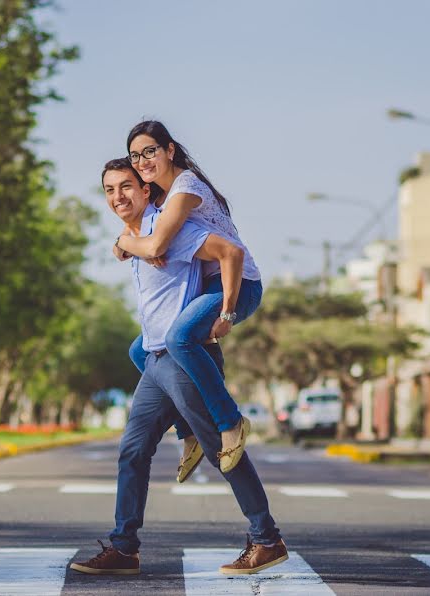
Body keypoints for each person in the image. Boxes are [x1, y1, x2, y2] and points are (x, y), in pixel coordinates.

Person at [69, 159, 287, 576]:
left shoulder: (171, 231)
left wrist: (226, 313)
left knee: (221, 449)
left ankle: (267, 538)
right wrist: (124, 243)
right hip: (155, 359)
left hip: (183, 361)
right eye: (110, 190)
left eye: (127, 187)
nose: (119, 197)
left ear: (147, 190)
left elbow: (229, 253)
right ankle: (123, 548)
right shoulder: (134, 236)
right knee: (132, 451)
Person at [113, 121, 263, 475]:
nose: (142, 161)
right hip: (204, 288)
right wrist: (130, 244)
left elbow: (153, 245)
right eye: (135, 156)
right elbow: (136, 237)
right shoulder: (159, 196)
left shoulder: (185, 188)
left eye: (150, 151)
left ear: (169, 150)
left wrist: (227, 314)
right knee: (140, 350)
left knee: (179, 338)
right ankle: (189, 430)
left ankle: (230, 422)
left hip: (238, 284)